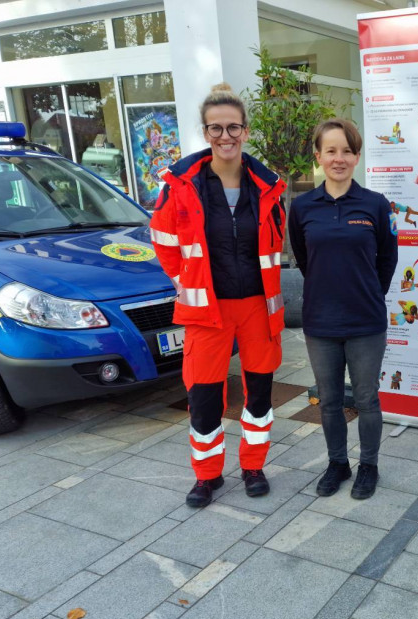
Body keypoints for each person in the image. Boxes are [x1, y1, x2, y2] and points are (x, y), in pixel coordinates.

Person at [150, 82, 286, 507]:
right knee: (204, 398)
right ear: (205, 133)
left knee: (259, 394)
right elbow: (164, 241)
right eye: (215, 129)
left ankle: (253, 466)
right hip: (206, 310)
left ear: (246, 131)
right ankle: (207, 475)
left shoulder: (268, 186)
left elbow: (277, 242)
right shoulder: (180, 184)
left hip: (257, 309)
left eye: (233, 128)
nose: (225, 137)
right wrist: (186, 280)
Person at [289, 118, 398, 500]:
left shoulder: (375, 204)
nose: (339, 158)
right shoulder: (302, 207)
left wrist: (366, 293)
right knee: (330, 400)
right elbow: (304, 259)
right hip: (321, 322)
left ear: (357, 156)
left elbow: (387, 259)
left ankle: (369, 465)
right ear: (318, 156)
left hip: (366, 322)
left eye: (347, 151)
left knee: (367, 399)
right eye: (331, 151)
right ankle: (338, 463)